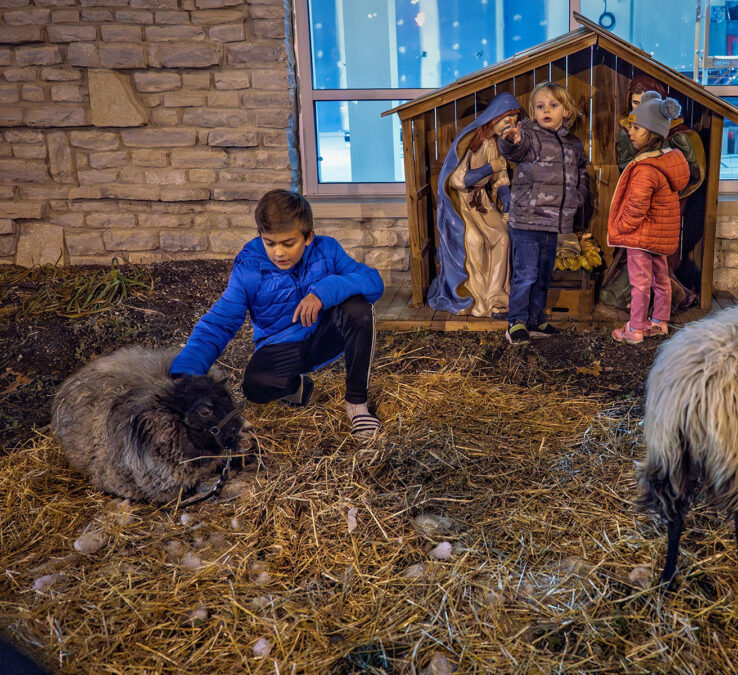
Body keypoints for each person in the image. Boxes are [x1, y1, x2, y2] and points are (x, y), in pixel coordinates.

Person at [169, 189, 386, 438]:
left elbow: (372, 281)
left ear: (308, 238)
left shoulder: (327, 249)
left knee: (358, 308)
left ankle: (357, 407)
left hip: (325, 334)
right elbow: (219, 323)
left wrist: (324, 292)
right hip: (281, 345)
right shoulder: (249, 269)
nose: (278, 253)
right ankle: (296, 386)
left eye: (288, 243)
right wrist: (185, 372)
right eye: (270, 243)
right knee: (255, 388)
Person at [497, 82, 590, 345]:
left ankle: (536, 320)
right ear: (533, 113)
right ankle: (516, 322)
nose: (546, 110)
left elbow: (582, 172)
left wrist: (577, 195)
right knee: (525, 274)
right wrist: (510, 141)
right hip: (527, 221)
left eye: (553, 105)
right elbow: (515, 149)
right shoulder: (530, 136)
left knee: (542, 274)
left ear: (567, 111)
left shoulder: (573, 143)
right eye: (540, 106)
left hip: (553, 222)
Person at [429, 92, 521, 318]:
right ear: (494, 119)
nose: (511, 126)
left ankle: (497, 297)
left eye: (515, 122)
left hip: (484, 203)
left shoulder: (498, 145)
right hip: (462, 205)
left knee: (502, 237)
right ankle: (475, 298)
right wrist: (489, 168)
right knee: (474, 240)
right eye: (506, 121)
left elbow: (501, 180)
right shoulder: (470, 143)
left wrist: (506, 198)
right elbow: (458, 180)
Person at [607, 92, 690, 344]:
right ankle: (659, 321)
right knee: (660, 278)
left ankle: (635, 328)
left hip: (641, 237)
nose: (630, 131)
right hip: (659, 236)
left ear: (653, 132)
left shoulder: (645, 170)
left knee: (640, 283)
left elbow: (636, 207)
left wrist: (622, 227)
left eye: (636, 127)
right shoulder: (667, 161)